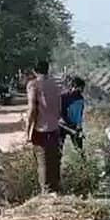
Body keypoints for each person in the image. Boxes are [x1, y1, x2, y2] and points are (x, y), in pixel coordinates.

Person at [25, 60, 63, 193]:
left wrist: (27, 130)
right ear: (48, 70)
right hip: (55, 128)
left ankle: (46, 193)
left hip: (41, 129)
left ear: (35, 71)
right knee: (54, 160)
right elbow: (59, 107)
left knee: (43, 163)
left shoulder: (33, 84)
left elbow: (32, 109)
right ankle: (56, 189)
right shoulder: (55, 84)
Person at [60, 76, 86, 153]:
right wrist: (66, 123)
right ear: (75, 86)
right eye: (81, 88)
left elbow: (80, 114)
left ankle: (83, 164)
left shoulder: (80, 98)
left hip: (75, 126)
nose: (82, 90)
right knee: (59, 148)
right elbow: (60, 112)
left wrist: (79, 127)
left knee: (79, 150)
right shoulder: (64, 97)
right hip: (63, 126)